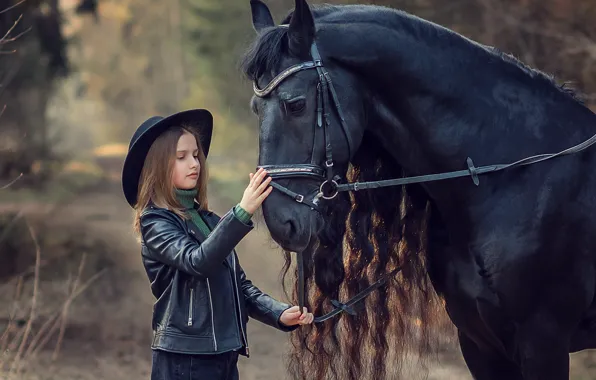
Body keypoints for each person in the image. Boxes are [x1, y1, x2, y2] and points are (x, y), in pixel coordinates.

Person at [121, 109, 314, 380]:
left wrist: (279, 313)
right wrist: (242, 212)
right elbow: (196, 261)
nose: (194, 163)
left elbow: (240, 286)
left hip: (223, 355)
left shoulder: (207, 220)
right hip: (185, 359)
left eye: (196, 155)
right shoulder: (155, 222)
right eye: (181, 157)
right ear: (157, 167)